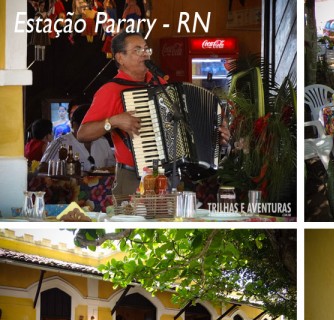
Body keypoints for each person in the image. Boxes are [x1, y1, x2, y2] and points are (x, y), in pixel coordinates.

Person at [77, 31, 231, 196]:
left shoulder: (160, 84)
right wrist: (113, 121)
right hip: (133, 178)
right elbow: (82, 134)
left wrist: (214, 137)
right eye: (137, 50)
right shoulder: (110, 91)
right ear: (120, 58)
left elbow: (182, 129)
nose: (145, 54)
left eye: (146, 49)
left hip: (168, 177)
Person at [41, 104, 115, 172]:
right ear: (73, 125)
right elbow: (42, 167)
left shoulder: (102, 141)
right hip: (70, 186)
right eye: (85, 127)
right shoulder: (60, 143)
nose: (90, 131)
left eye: (93, 127)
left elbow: (112, 166)